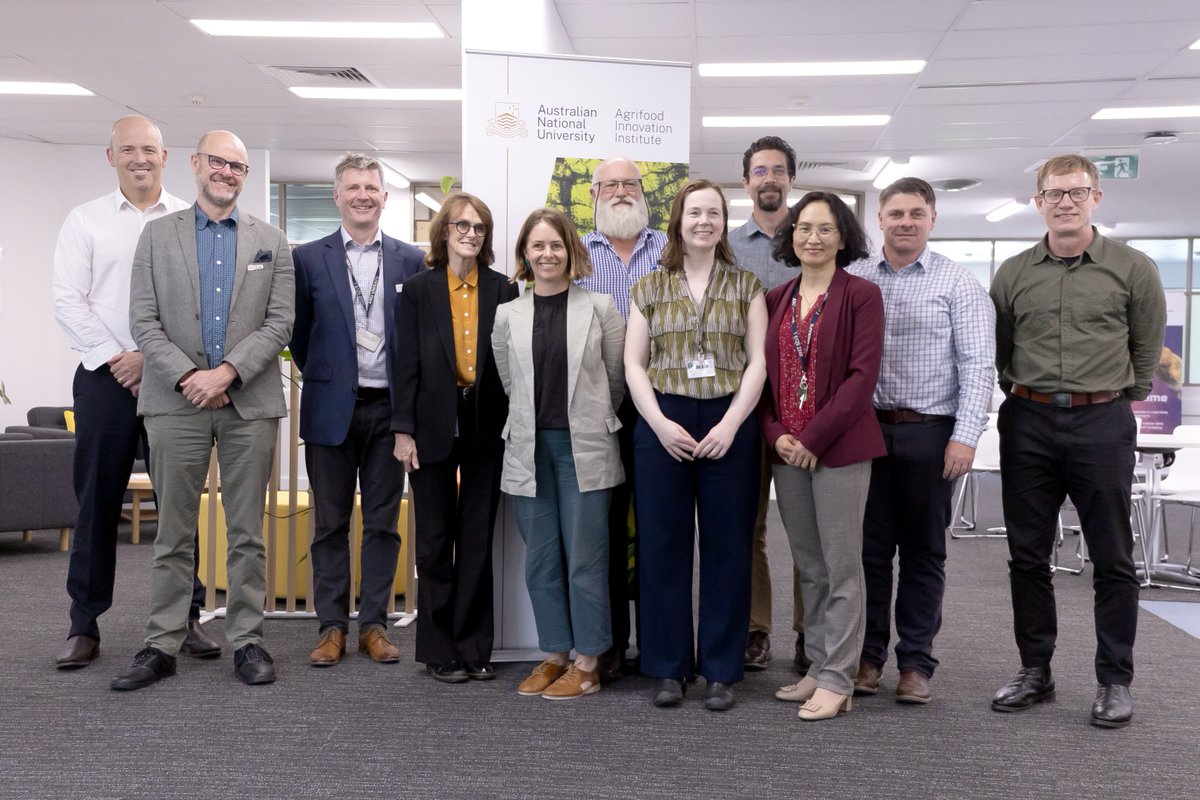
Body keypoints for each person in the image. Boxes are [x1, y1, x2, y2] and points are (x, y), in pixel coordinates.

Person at [113, 130, 295, 690]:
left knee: (247, 533)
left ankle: (247, 640)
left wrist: (228, 373)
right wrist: (192, 377)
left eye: (237, 165)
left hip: (248, 403)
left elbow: (280, 321)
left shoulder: (271, 240)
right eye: (217, 161)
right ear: (195, 165)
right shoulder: (155, 237)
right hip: (175, 401)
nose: (227, 172)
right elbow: (144, 322)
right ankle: (162, 643)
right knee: (174, 532)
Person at [989, 154, 1165, 729]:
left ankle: (1114, 679)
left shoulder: (1132, 268)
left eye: (1077, 191)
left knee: (1113, 557)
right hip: (1029, 421)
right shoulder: (1013, 273)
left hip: (1102, 421)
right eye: (1054, 193)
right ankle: (1035, 671)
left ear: (1096, 198)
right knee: (1027, 555)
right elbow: (1001, 352)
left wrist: (1113, 399)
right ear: (1037, 202)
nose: (1066, 201)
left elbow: (1145, 352)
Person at [52, 115, 221, 669]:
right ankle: (84, 625)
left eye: (149, 150)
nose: (139, 159)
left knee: (178, 503)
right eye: (128, 150)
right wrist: (117, 359)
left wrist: (151, 358)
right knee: (97, 501)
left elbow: (203, 302)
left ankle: (187, 617)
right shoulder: (86, 220)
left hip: (171, 376)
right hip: (105, 379)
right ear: (111, 157)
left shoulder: (188, 219)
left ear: (166, 156)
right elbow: (68, 300)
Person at [846, 177, 995, 704]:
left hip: (933, 435)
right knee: (868, 553)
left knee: (924, 552)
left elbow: (978, 366)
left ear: (932, 220)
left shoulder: (959, 284)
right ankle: (866, 658)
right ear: (879, 220)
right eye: (895, 213)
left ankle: (915, 663)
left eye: (916, 213)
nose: (905, 221)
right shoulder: (855, 278)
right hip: (864, 433)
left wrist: (965, 437)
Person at [626, 179, 767, 712]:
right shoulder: (650, 285)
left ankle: (721, 669)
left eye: (713, 212)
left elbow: (758, 362)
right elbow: (633, 365)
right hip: (663, 419)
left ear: (723, 222)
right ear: (678, 221)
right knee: (663, 546)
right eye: (694, 212)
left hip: (730, 420)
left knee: (728, 547)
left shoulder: (746, 284)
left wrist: (732, 424)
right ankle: (666, 667)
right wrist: (660, 424)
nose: (703, 221)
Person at [290, 153, 424, 667]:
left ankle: (373, 625)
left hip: (390, 413)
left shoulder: (410, 260)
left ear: (385, 197)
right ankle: (330, 628)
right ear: (337, 196)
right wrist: (332, 376)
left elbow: (411, 342)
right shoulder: (308, 258)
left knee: (384, 524)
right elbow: (301, 337)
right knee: (329, 524)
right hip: (330, 411)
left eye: (372, 187)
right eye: (353, 187)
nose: (363, 195)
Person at [493, 208, 626, 700]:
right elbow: (510, 382)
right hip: (529, 450)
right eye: (537, 246)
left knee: (586, 561)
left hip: (585, 449)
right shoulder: (509, 313)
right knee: (541, 561)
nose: (547, 254)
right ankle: (555, 654)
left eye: (556, 245)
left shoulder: (601, 308)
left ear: (572, 252)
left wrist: (587, 419)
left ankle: (589, 661)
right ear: (525, 255)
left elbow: (615, 383)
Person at [761, 192, 884, 721]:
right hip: (787, 453)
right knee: (808, 566)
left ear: (843, 237)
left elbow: (861, 381)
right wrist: (775, 434)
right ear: (791, 238)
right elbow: (761, 380)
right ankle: (816, 664)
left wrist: (812, 438)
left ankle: (839, 678)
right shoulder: (775, 299)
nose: (812, 237)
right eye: (803, 228)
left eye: (825, 228)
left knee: (840, 567)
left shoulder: (861, 296)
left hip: (838, 452)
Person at [391, 193, 518, 684]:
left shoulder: (503, 289)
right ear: (444, 231)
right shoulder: (419, 290)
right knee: (435, 541)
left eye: (480, 227)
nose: (470, 233)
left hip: (487, 425)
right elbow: (405, 366)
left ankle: (474, 647)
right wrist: (403, 432)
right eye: (462, 225)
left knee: (478, 539)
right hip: (431, 426)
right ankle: (438, 649)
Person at [578, 156, 667, 681]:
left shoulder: (670, 249)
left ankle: (657, 645)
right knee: (605, 528)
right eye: (608, 184)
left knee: (658, 526)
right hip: (598, 407)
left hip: (663, 406)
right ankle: (608, 644)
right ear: (593, 194)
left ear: (643, 191)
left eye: (628, 183)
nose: (619, 191)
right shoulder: (579, 254)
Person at [729, 135, 807, 673]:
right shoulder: (729, 247)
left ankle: (809, 631)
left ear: (791, 179)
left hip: (808, 410)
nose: (770, 179)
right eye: (760, 171)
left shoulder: (817, 237)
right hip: (749, 407)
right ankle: (756, 630)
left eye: (779, 170)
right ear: (747, 182)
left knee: (807, 529)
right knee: (747, 526)